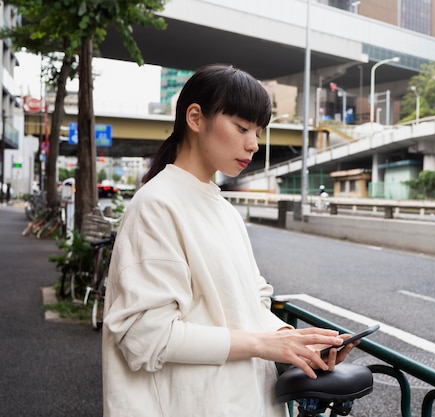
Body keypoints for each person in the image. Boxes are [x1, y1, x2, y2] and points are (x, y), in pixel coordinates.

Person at [102, 64, 356, 417]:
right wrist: (264, 344)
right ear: (195, 118)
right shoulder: (156, 206)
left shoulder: (221, 208)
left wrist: (295, 340)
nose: (253, 144)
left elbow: (251, 301)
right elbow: (145, 336)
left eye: (257, 132)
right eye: (241, 128)